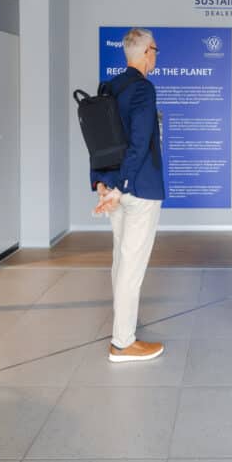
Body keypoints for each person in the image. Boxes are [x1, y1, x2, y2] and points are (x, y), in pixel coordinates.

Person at [92, 27, 165, 363]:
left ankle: (124, 326)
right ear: (146, 52)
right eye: (155, 49)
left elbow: (96, 139)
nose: (156, 55)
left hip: (114, 188)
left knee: (120, 261)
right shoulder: (143, 89)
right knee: (131, 266)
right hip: (137, 189)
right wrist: (122, 187)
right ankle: (123, 342)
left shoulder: (110, 86)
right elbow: (139, 142)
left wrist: (102, 183)